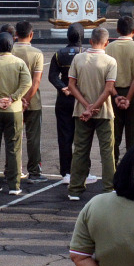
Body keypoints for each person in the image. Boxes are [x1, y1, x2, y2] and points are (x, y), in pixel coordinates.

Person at [69, 26, 119, 201]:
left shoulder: (78, 58)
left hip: (81, 111)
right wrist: (95, 107)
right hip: (104, 111)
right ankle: (108, 188)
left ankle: (74, 188)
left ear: (90, 41)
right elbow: (108, 90)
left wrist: (86, 106)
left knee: (80, 150)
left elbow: (72, 86)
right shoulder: (110, 61)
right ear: (106, 43)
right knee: (107, 151)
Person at [0, 31, 33, 195]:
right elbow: (27, 83)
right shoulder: (18, 62)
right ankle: (14, 185)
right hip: (13, 110)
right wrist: (13, 98)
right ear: (12, 45)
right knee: (13, 148)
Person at [107, 16, 134, 160]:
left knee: (113, 137)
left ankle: (112, 172)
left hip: (112, 93)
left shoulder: (108, 48)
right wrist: (128, 98)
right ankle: (133, 172)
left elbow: (106, 79)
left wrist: (116, 96)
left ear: (117, 30)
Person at [12, 21, 47, 182]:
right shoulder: (37, 54)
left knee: (13, 136)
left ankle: (13, 170)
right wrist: (26, 100)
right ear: (31, 35)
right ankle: (34, 171)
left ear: (16, 34)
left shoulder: (8, 51)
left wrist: (18, 100)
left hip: (12, 101)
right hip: (32, 101)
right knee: (33, 137)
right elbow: (36, 81)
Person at [49, 26, 84, 179]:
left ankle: (66, 172)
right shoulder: (84, 54)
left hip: (63, 99)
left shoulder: (58, 54)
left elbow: (52, 76)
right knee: (82, 137)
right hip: (81, 99)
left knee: (64, 137)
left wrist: (64, 88)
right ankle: (82, 170)